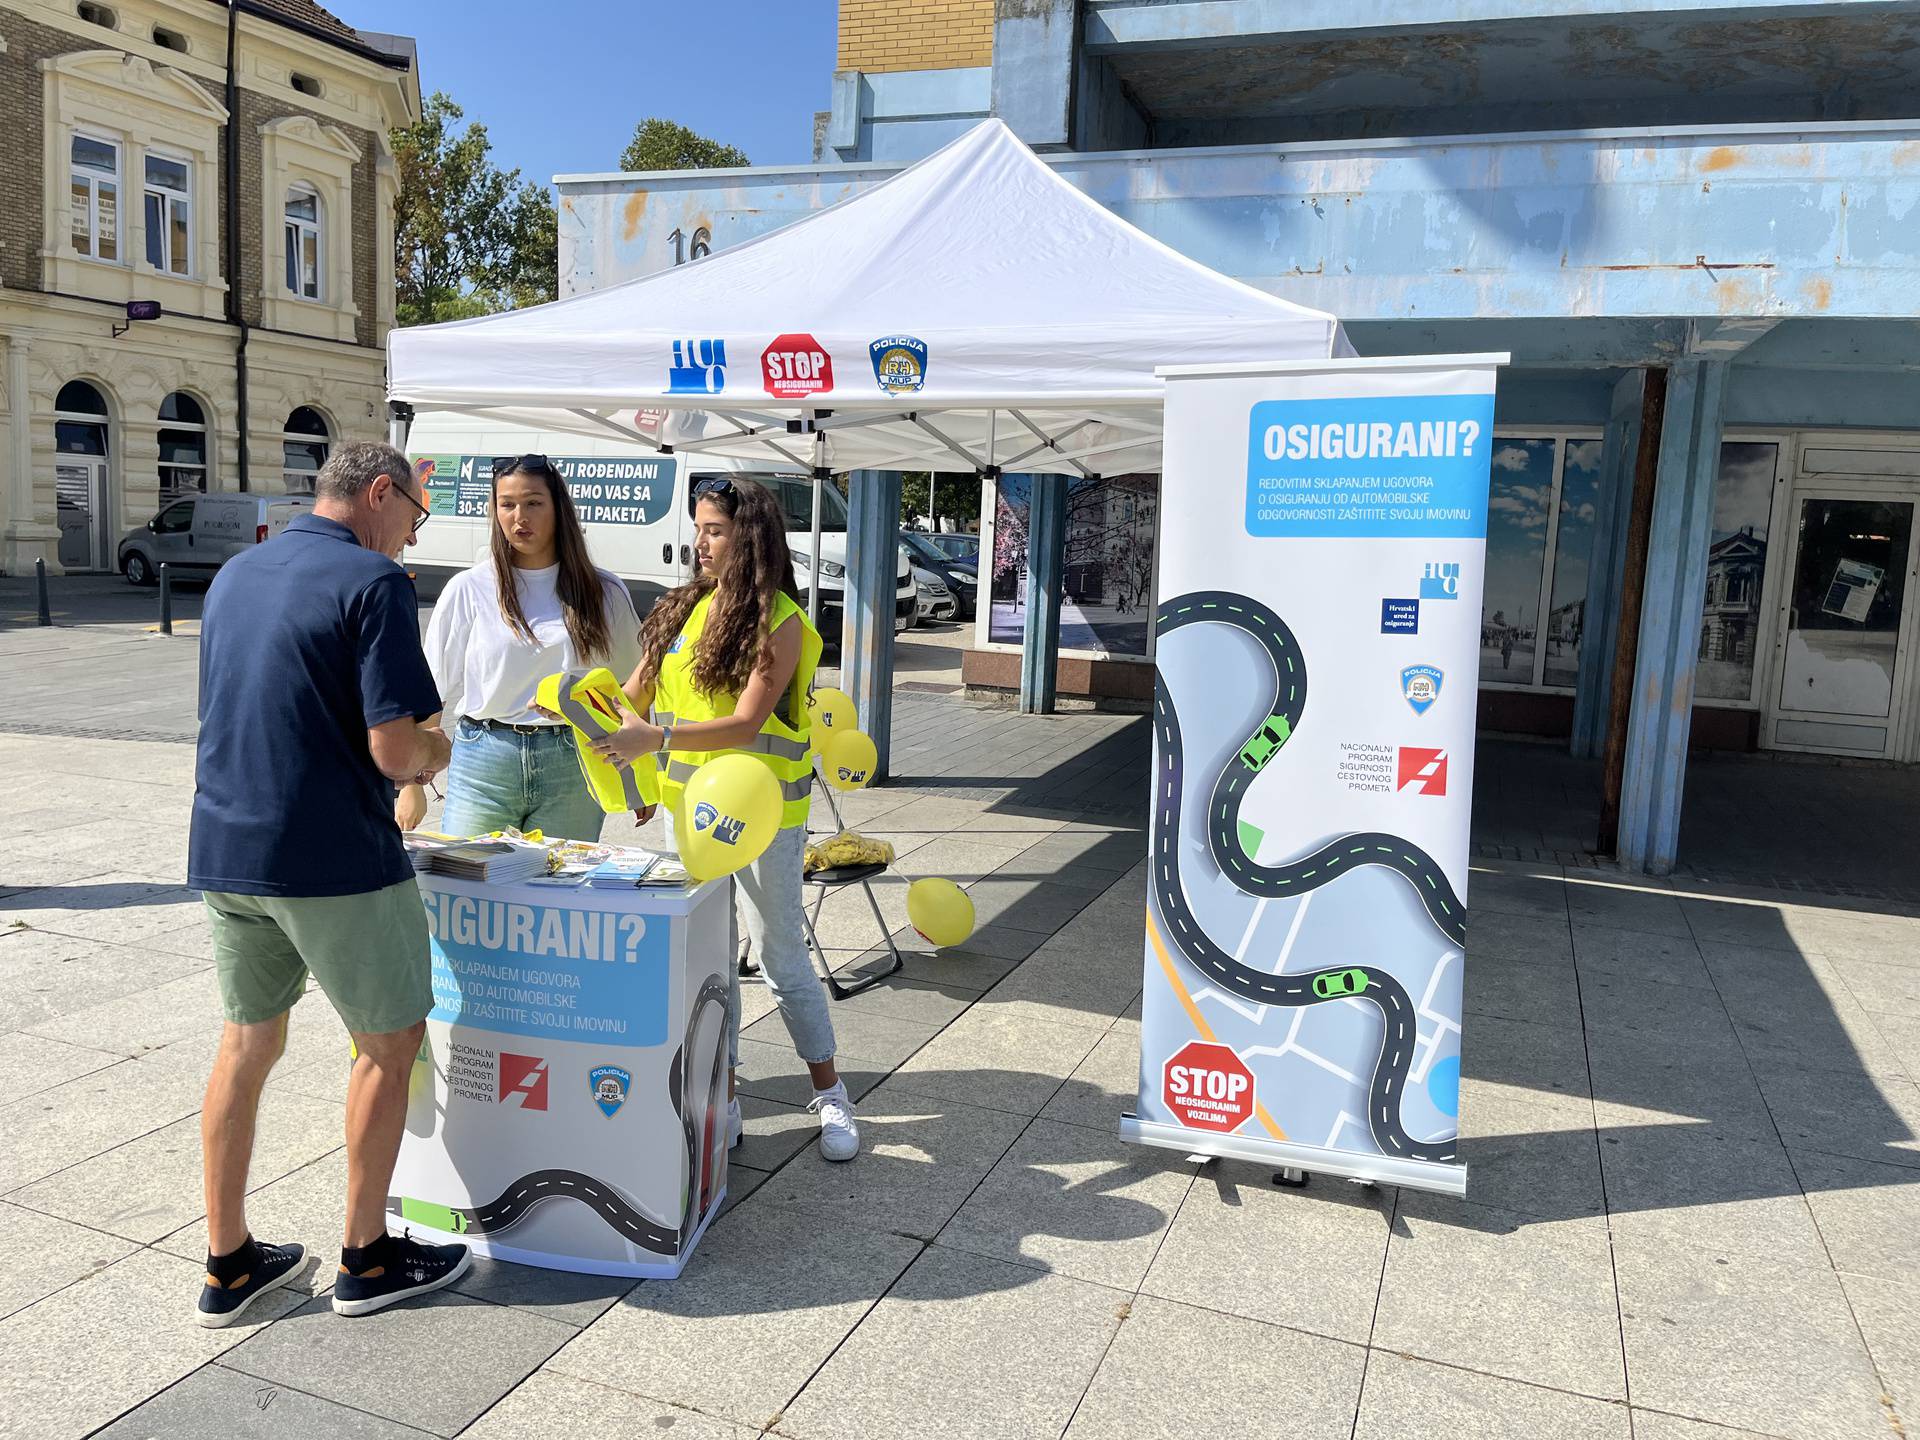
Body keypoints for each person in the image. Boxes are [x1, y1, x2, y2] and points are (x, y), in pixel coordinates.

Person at [188, 440, 469, 1326]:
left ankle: (227, 1264)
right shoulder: (373, 582)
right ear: (380, 493)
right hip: (333, 856)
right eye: (412, 519)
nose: (409, 541)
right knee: (389, 1044)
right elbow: (395, 750)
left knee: (246, 1044)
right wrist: (438, 750)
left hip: (228, 847)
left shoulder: (238, 570)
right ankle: (367, 1257)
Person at [593, 476, 858, 1162]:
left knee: (779, 955)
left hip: (766, 818)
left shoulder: (783, 623)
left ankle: (830, 1093)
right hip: (692, 819)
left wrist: (657, 738)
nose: (700, 542)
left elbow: (745, 723)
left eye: (715, 529)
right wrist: (576, 707)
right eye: (699, 527)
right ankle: (728, 1096)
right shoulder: (678, 611)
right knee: (712, 960)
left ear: (752, 536)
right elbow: (632, 699)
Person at [397, 454, 642, 839]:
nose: (519, 516)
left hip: (574, 759)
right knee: (469, 886)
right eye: (506, 504)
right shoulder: (469, 588)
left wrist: (637, 772)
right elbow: (431, 690)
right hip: (484, 759)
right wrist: (412, 782)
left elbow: (633, 687)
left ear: (558, 508)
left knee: (560, 889)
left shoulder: (604, 591)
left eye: (533, 503)